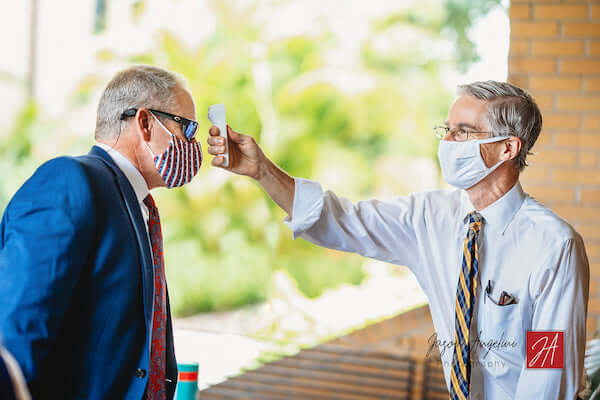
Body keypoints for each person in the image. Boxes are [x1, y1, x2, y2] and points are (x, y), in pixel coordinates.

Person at [207, 81, 589, 399]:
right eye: (447, 129)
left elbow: (547, 368)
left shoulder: (553, 246)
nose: (448, 141)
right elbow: (340, 220)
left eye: (464, 131)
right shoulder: (431, 218)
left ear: (508, 148)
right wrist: (261, 170)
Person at [0, 65, 202, 399]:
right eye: (187, 128)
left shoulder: (140, 205)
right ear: (146, 122)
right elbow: (14, 334)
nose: (193, 145)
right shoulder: (71, 181)